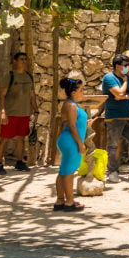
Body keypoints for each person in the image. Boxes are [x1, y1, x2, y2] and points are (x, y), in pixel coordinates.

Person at [0, 51, 38, 174]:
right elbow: (1, 95)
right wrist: (3, 112)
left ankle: (19, 162)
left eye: (25, 59)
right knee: (4, 139)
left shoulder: (29, 77)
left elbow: (32, 96)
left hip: (24, 114)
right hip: (10, 114)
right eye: (21, 59)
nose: (23, 61)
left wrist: (36, 111)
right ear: (15, 61)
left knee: (21, 138)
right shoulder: (9, 76)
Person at [101, 53, 129, 183]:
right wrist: (125, 83)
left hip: (128, 116)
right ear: (117, 66)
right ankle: (112, 171)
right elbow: (119, 93)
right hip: (114, 117)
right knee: (112, 145)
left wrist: (124, 96)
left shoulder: (127, 77)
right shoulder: (109, 78)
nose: (128, 68)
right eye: (125, 65)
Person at [54, 74, 87, 211]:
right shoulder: (72, 106)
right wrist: (80, 143)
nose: (83, 93)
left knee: (63, 170)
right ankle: (69, 202)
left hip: (66, 139)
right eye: (81, 90)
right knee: (69, 171)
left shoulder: (68, 104)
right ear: (73, 92)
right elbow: (73, 126)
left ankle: (60, 200)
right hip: (71, 141)